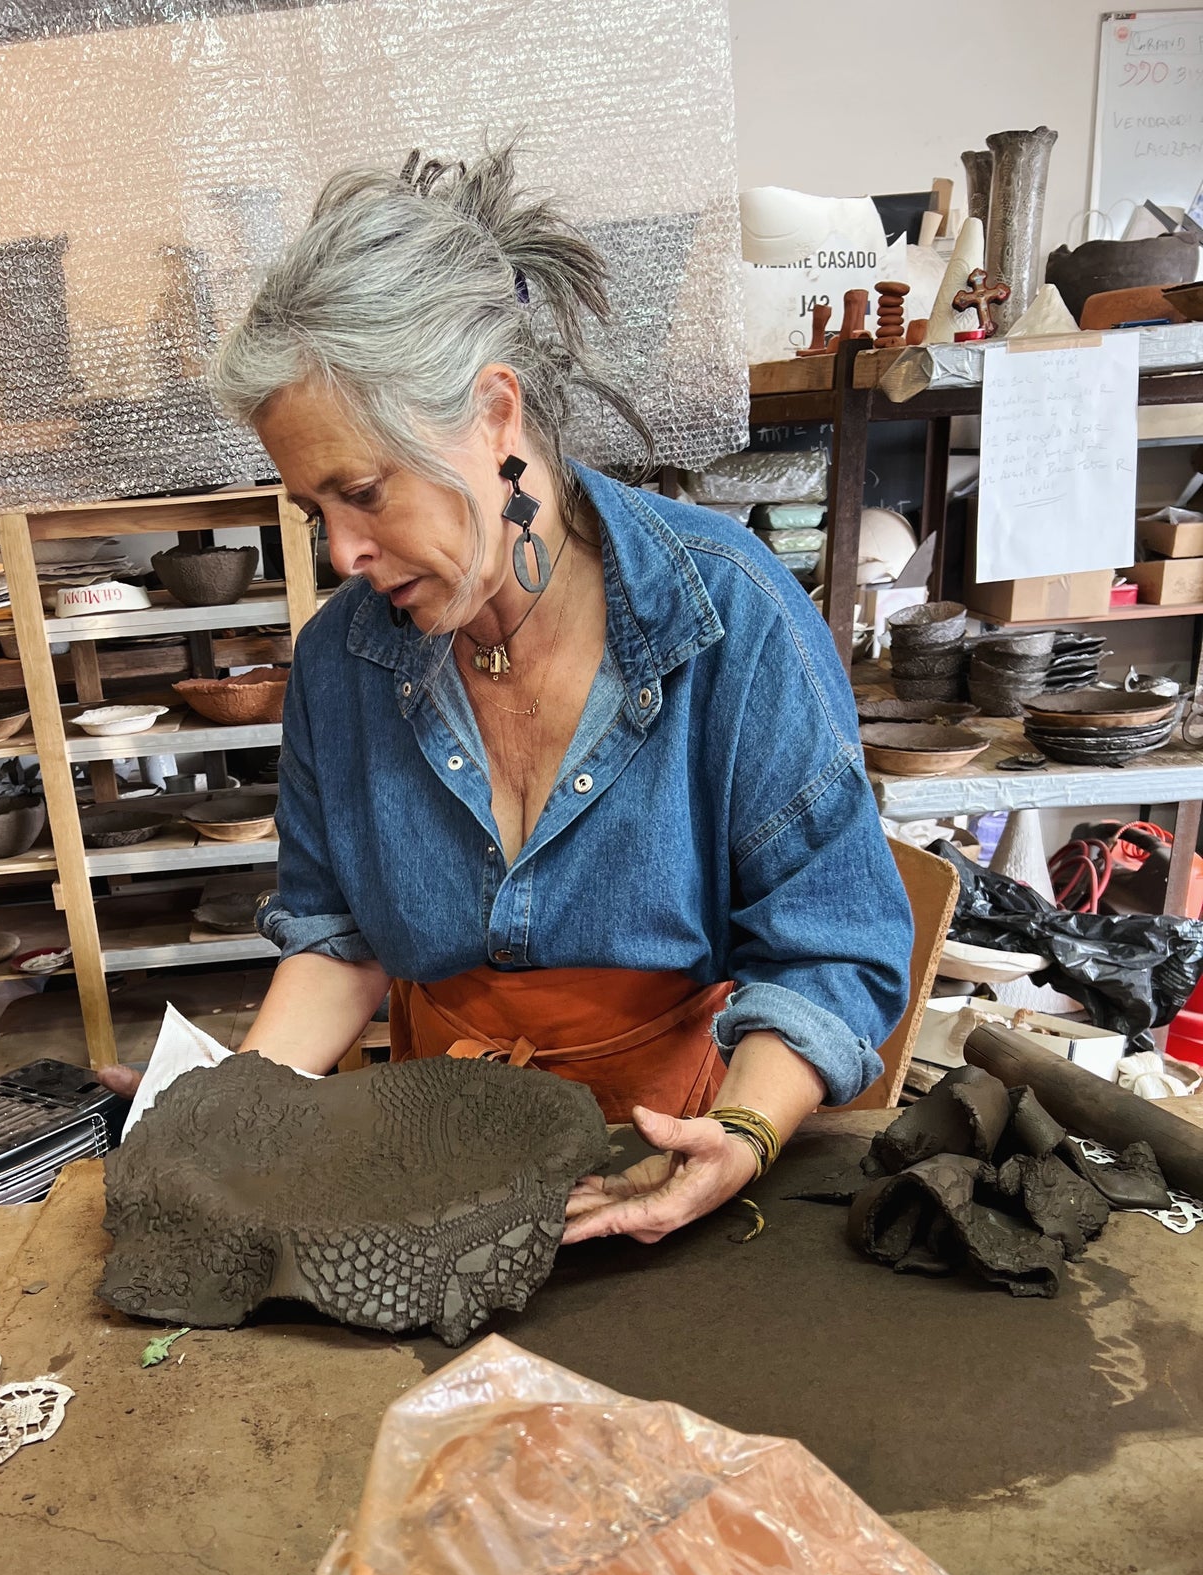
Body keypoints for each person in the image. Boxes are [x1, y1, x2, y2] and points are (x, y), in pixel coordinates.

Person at [105, 145, 913, 1246]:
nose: (343, 553)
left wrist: (743, 1130)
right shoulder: (345, 661)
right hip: (430, 1155)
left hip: (669, 1145)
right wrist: (224, 1114)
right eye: (313, 512)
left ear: (495, 413)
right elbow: (338, 938)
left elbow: (830, 946)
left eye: (364, 491)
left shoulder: (729, 617)